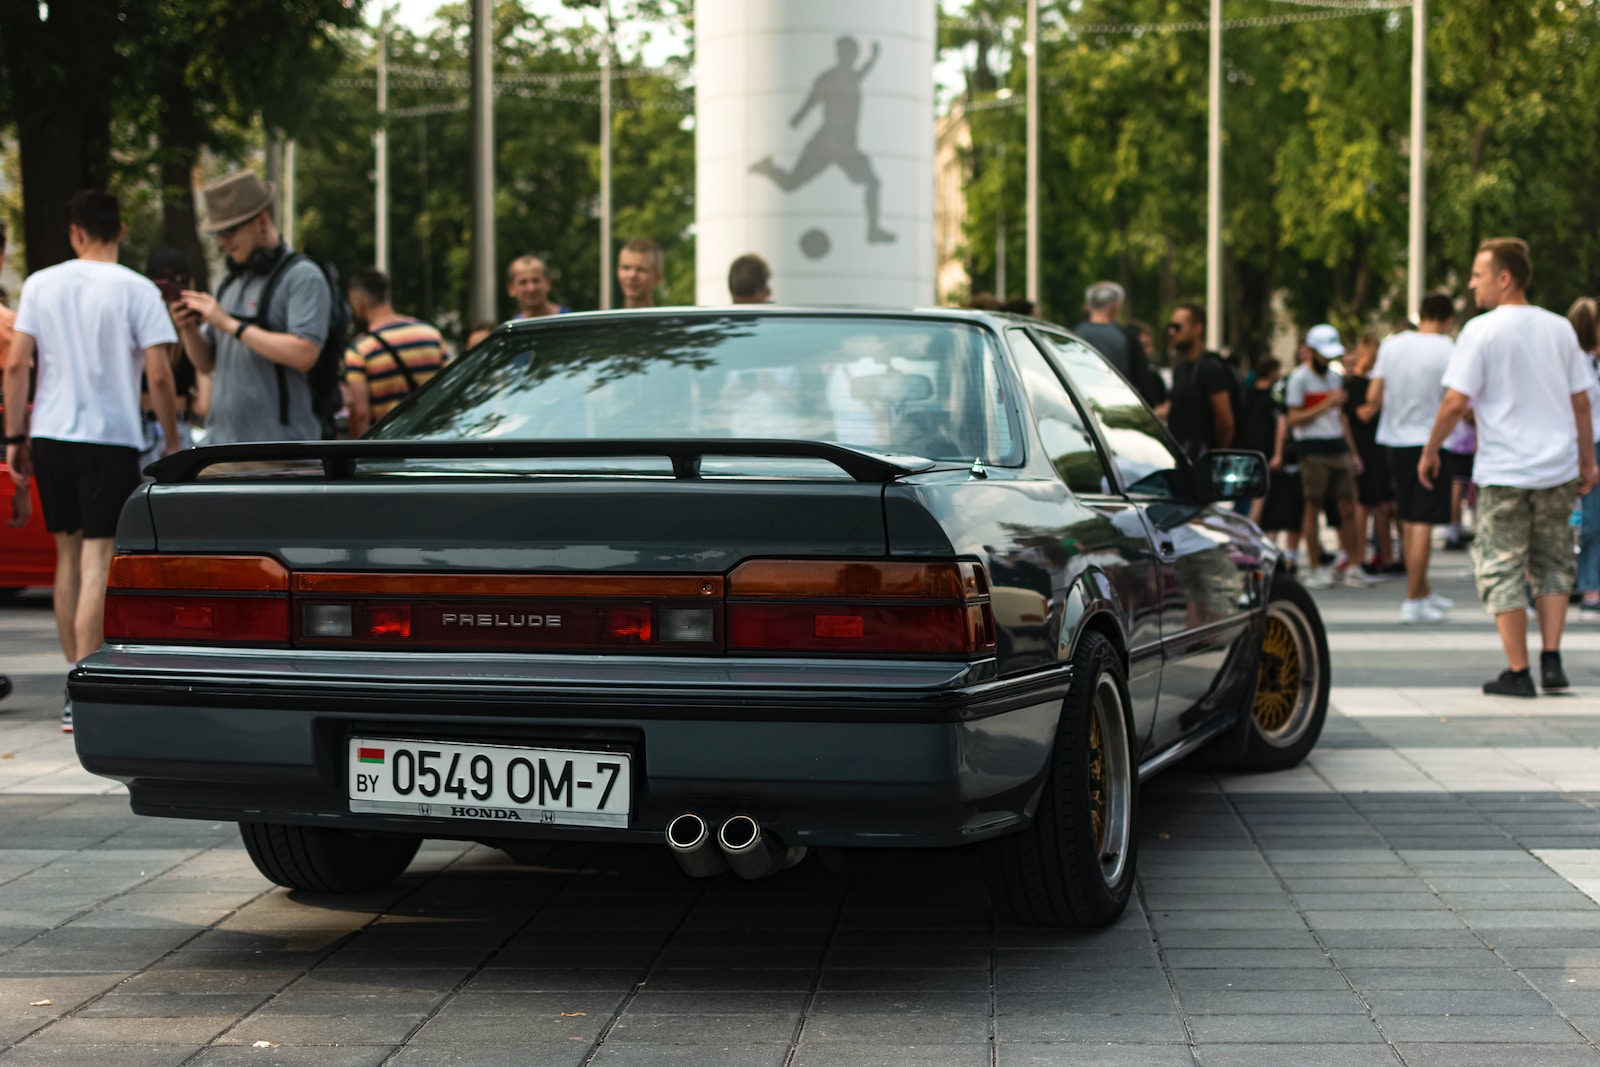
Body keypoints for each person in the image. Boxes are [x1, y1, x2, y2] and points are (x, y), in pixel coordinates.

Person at [1, 189, 180, 732]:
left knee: (67, 560)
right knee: (99, 562)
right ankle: (85, 688)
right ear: (121, 229)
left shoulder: (39, 284)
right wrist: (172, 440)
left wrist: (15, 438)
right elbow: (160, 374)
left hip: (52, 434)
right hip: (111, 437)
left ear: (75, 231)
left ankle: (70, 688)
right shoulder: (138, 289)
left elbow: (17, 365)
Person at [1419, 238, 1597, 697]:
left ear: (1504, 277)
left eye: (1478, 275)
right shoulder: (1560, 329)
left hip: (1503, 472)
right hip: (1556, 469)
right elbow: (1581, 403)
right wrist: (1586, 459)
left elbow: (1456, 401)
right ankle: (1552, 659)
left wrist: (1431, 449)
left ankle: (1518, 671)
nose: (1471, 284)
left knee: (1502, 567)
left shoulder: (1481, 331)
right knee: (1554, 562)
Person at [170, 170, 332, 444]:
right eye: (218, 232)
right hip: (220, 447)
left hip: (279, 453)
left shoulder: (302, 275)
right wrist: (187, 328)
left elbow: (305, 353)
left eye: (230, 230)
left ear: (262, 221)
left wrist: (229, 324)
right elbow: (207, 363)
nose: (223, 240)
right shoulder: (231, 282)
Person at [748, 36, 894, 244]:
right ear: (842, 53)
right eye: (849, 52)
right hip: (831, 143)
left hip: (840, 144)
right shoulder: (830, 78)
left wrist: (874, 58)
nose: (852, 57)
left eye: (854, 53)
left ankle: (873, 231)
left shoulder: (850, 76)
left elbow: (863, 72)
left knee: (872, 182)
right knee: (792, 183)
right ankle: (767, 169)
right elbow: (813, 98)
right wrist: (799, 117)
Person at [1368, 294, 1457, 623]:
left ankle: (1421, 591)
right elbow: (1455, 399)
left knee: (1408, 516)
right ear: (1447, 319)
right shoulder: (1448, 349)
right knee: (1422, 522)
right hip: (1430, 442)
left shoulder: (1392, 345)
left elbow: (1373, 395)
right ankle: (1413, 599)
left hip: (1394, 440)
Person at [1287, 324, 1370, 590]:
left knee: (1347, 506)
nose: (1328, 360)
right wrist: (1325, 405)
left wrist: (1353, 452)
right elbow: (1293, 418)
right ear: (1311, 352)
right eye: (1324, 354)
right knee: (1313, 507)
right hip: (1311, 449)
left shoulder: (1334, 379)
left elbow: (1342, 418)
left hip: (1337, 446)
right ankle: (1314, 566)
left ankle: (1355, 565)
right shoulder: (1299, 378)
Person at [343, 268, 447, 438]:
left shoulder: (360, 349)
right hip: (431, 442)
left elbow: (361, 414)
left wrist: (360, 456)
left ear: (359, 300)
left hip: (389, 448)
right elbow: (448, 391)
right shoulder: (432, 335)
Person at [140, 247, 210, 469]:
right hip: (179, 428)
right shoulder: (197, 332)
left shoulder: (138, 328)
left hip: (137, 428)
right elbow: (204, 405)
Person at [1345, 333, 1397, 575]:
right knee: (1363, 506)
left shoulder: (1371, 382)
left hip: (1378, 448)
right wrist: (1378, 401)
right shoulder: (1353, 384)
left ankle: (1386, 556)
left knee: (1383, 506)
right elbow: (1361, 414)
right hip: (1362, 448)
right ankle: (1357, 558)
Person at [1164, 303, 1237, 460]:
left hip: (1202, 457)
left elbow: (1225, 420)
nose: (1171, 332)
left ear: (1197, 328)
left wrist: (1218, 456)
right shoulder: (1181, 368)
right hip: (1184, 455)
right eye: (1170, 327)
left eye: (1177, 327)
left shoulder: (1210, 367)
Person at [1569, 297, 1600, 619]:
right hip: (1578, 444)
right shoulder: (1574, 360)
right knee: (1584, 522)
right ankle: (1583, 585)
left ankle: (1590, 584)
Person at [506, 255, 569, 319]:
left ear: (548, 283)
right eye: (523, 282)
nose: (531, 289)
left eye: (536, 281)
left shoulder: (570, 320)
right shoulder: (512, 326)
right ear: (511, 288)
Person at [617, 239, 664, 309]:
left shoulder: (667, 319)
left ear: (657, 278)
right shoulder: (605, 319)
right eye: (626, 268)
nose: (632, 275)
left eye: (641, 269)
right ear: (618, 271)